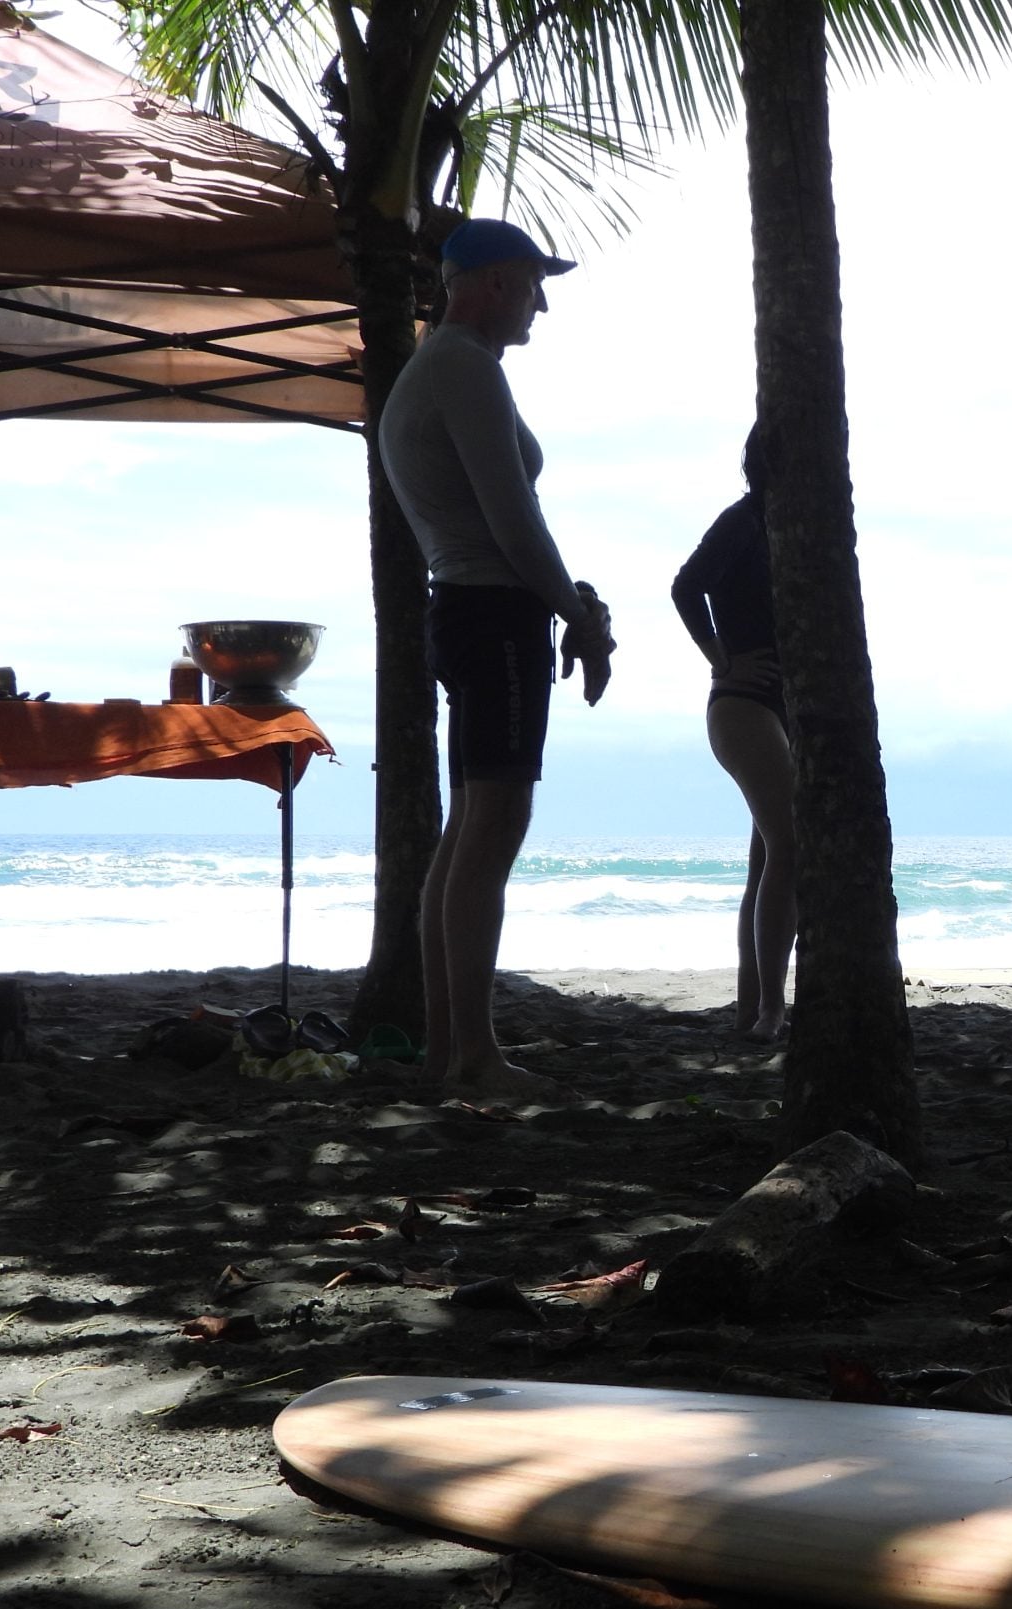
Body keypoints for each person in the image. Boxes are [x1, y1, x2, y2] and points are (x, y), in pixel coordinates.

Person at [378, 216, 613, 1094]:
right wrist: (577, 621)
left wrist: (570, 604)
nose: (541, 304)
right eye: (530, 283)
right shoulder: (462, 367)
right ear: (483, 284)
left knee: (468, 830)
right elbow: (512, 518)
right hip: (491, 611)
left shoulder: (442, 369)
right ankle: (472, 1053)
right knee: (492, 829)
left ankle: (450, 1050)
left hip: (470, 607)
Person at [671, 426, 793, 1043]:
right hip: (742, 705)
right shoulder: (745, 519)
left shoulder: (798, 528)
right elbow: (686, 585)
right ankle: (773, 1009)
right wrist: (721, 657)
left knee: (767, 860)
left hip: (784, 709)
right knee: (790, 848)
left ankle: (752, 1010)